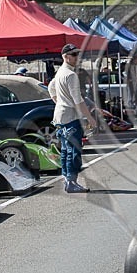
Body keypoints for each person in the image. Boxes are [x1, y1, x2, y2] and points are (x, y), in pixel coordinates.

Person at [47, 44, 98, 193]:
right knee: (74, 150)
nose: (77, 57)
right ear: (65, 57)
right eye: (74, 54)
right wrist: (90, 118)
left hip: (60, 115)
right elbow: (78, 100)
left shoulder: (61, 72)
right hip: (70, 116)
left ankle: (67, 179)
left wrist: (59, 102)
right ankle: (71, 181)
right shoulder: (71, 75)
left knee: (65, 150)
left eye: (77, 54)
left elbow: (51, 88)